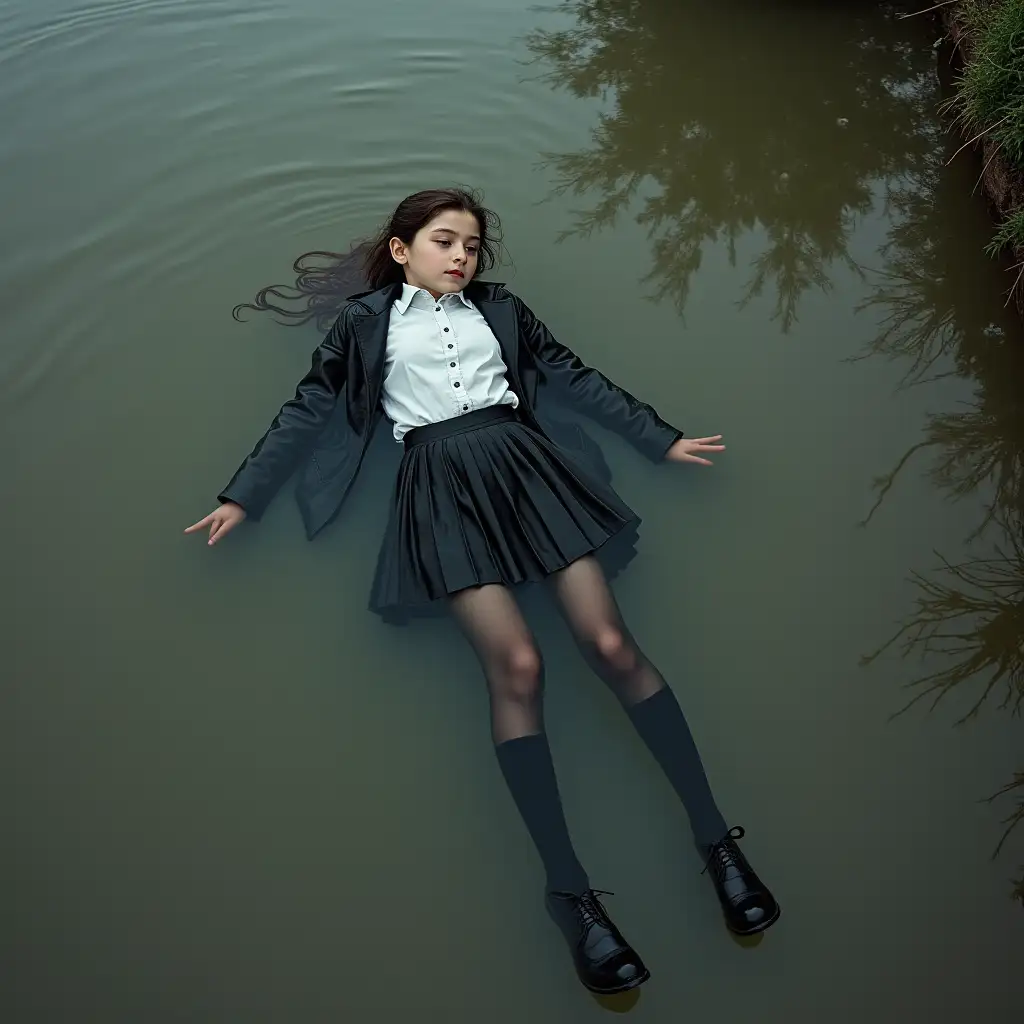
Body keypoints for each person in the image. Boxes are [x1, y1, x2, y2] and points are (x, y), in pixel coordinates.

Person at [185, 187, 779, 995]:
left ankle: (716, 841)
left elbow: (570, 375)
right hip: (437, 485)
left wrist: (658, 436)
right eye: (444, 240)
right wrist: (242, 495)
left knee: (609, 644)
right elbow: (308, 408)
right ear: (402, 250)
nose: (461, 255)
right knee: (520, 669)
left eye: (471, 244)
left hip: (530, 469)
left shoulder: (500, 309)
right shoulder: (364, 324)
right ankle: (569, 894)